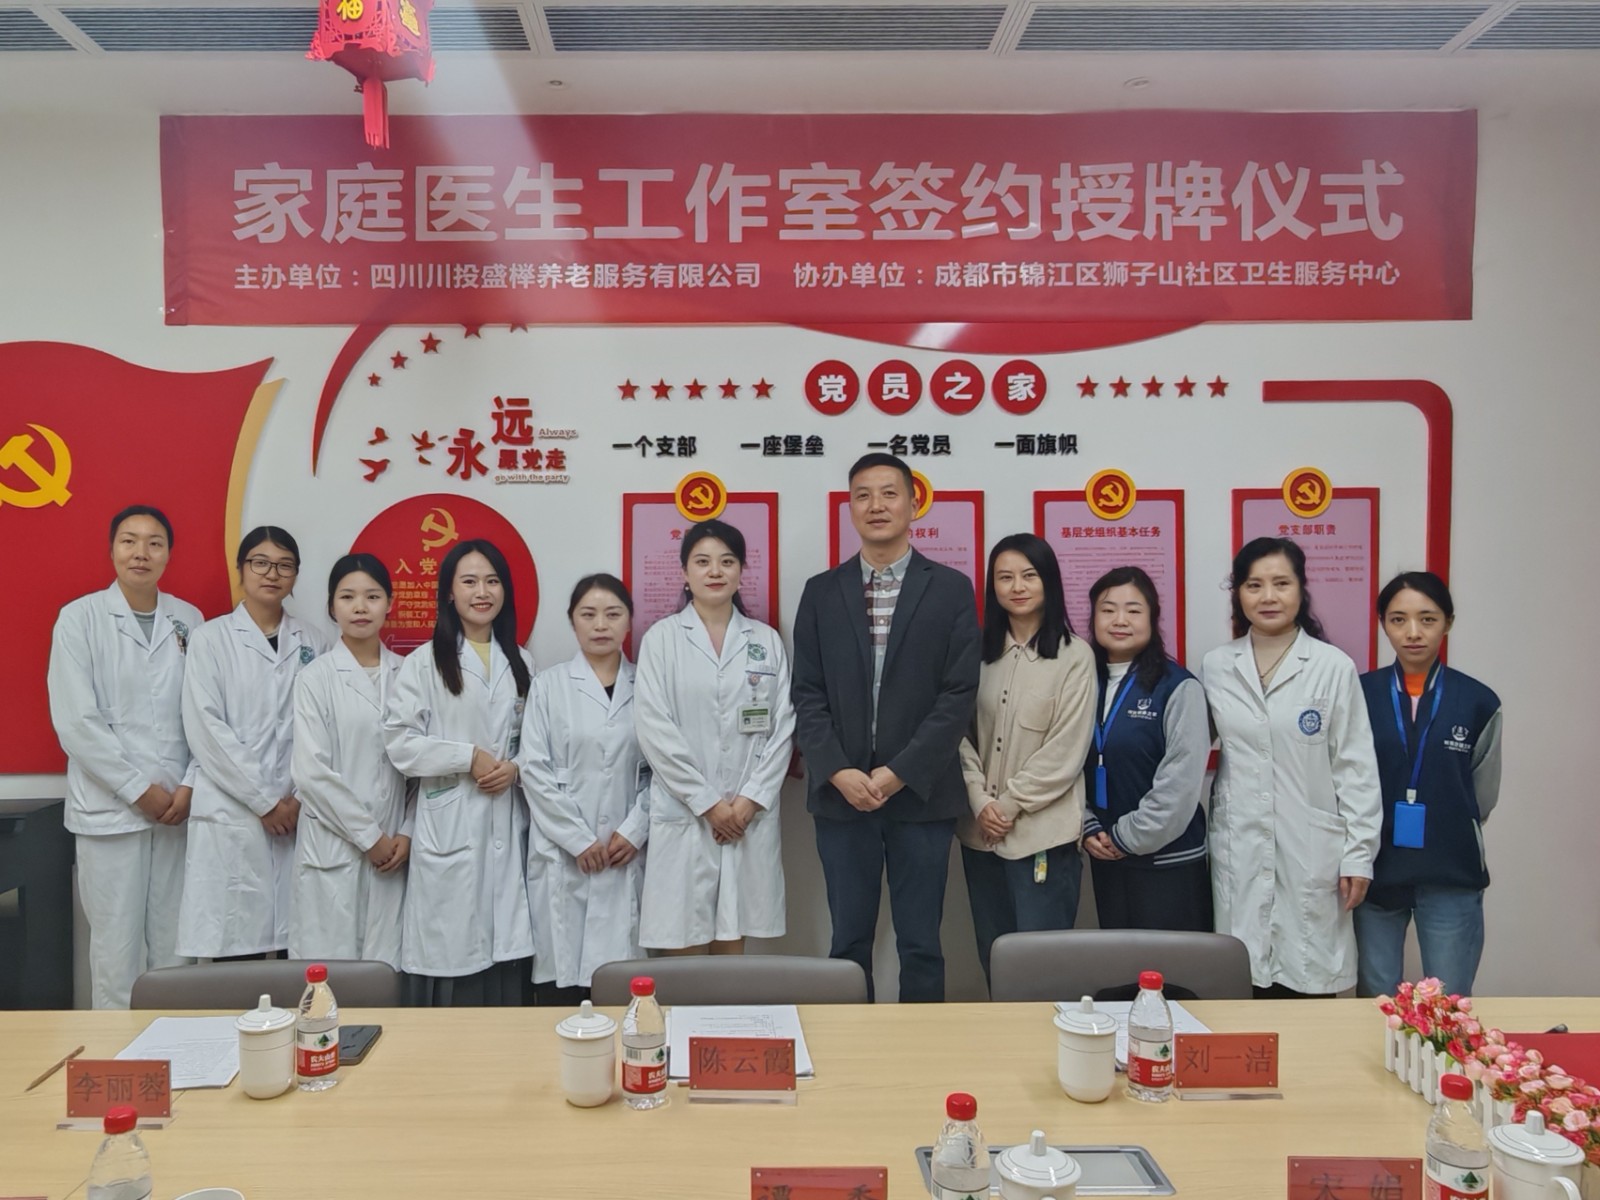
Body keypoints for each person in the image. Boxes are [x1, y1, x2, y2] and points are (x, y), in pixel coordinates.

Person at [792, 453, 980, 1002]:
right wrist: (838, 770)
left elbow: (958, 695)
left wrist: (900, 772)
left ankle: (921, 1047)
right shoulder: (821, 592)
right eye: (863, 495)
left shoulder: (950, 589)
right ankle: (848, 1046)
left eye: (889, 493)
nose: (876, 505)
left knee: (921, 943)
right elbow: (806, 692)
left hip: (921, 794)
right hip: (842, 796)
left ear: (914, 504)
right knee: (848, 941)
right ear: (850, 508)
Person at [1201, 537, 1382, 998]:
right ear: (1238, 593)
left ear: (1301, 589)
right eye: (1254, 585)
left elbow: (1356, 770)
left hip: (1311, 850)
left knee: (1307, 984)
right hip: (1240, 845)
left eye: (1281, 583)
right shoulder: (1217, 666)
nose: (1268, 596)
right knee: (1241, 983)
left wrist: (1358, 855)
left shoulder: (1332, 667)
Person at [48, 506, 204, 1008]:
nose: (141, 553)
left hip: (177, 809)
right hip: (111, 811)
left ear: (168, 554)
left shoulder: (189, 620)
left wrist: (189, 784)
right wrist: (138, 790)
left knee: (175, 950)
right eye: (129, 541)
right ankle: (118, 1052)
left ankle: (178, 1048)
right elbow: (76, 721)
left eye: (154, 543)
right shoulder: (80, 619)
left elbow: (205, 714)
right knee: (116, 952)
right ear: (112, 549)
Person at [383, 539, 534, 1005]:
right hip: (450, 824)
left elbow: (536, 740)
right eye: (469, 582)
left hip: (505, 817)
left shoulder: (522, 661)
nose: (482, 592)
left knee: (503, 953)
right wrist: (466, 757)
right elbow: (400, 743)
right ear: (449, 592)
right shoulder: (424, 662)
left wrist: (516, 768)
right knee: (454, 956)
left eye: (492, 581)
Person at [633, 520, 795, 955]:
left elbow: (782, 726)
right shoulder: (662, 640)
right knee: (683, 938)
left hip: (746, 816)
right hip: (687, 814)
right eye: (702, 562)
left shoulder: (765, 640)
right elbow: (654, 728)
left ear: (741, 571)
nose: (715, 571)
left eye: (727, 561)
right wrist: (708, 803)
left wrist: (749, 801)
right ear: (684, 573)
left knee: (733, 940)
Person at [178, 527, 331, 960]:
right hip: (233, 811)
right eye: (260, 563)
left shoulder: (314, 642)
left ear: (296, 575)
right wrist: (265, 801)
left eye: (284, 565)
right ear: (241, 569)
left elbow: (323, 728)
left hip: (297, 810)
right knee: (235, 950)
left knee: (296, 951)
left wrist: (296, 797)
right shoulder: (210, 639)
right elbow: (207, 728)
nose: (272, 574)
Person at [1354, 572, 1502, 998]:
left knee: (1449, 1001)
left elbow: (1482, 793)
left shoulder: (1478, 701)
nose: (1413, 632)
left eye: (1428, 619)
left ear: (1448, 623)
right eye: (1398, 620)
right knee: (1377, 998)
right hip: (1377, 869)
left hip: (1450, 868)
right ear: (1383, 624)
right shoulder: (1359, 694)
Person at [956, 534, 1095, 983]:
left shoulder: (1075, 657)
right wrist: (980, 802)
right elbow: (959, 736)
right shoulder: (977, 654)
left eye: (1029, 575)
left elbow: (1065, 750)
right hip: (981, 835)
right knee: (993, 956)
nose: (1017, 587)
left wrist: (1008, 806)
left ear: (1048, 581)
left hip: (1042, 836)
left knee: (1041, 967)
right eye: (1005, 577)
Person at [520, 574, 650, 1002]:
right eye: (588, 614)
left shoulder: (648, 685)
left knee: (623, 983)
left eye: (612, 614)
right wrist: (577, 839)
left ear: (629, 621)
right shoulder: (548, 686)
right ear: (572, 621)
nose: (600, 625)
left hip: (624, 850)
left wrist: (635, 830)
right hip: (563, 855)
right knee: (562, 985)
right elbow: (533, 769)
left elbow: (663, 771)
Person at [288, 554, 410, 969]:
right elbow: (311, 773)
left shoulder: (409, 675)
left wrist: (406, 833)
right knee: (329, 976)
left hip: (394, 850)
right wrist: (370, 838)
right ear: (331, 606)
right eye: (348, 597)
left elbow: (421, 768)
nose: (361, 607)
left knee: (386, 975)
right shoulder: (315, 678)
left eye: (372, 596)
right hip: (333, 849)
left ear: (390, 603)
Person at [1081, 566, 1212, 932]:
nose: (1120, 620)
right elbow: (1065, 762)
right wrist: (1087, 825)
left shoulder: (1178, 687)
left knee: (1172, 964)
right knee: (1120, 961)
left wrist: (1126, 836)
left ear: (1153, 618)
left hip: (1168, 862)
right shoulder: (1082, 682)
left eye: (1134, 610)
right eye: (1108, 610)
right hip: (1106, 857)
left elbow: (1180, 782)